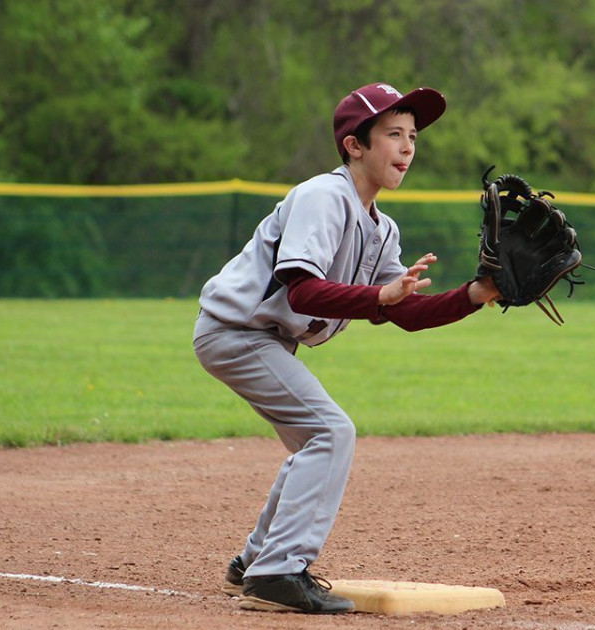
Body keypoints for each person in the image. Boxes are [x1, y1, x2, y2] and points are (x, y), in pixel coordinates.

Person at [193, 82, 500, 613]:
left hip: (265, 340)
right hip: (236, 332)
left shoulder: (383, 228)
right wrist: (379, 295)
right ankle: (277, 573)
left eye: (412, 136)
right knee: (331, 432)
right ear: (354, 146)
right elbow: (303, 287)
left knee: (316, 442)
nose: (408, 147)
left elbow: (404, 313)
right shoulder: (323, 196)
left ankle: (256, 561)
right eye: (393, 134)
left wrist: (477, 294)